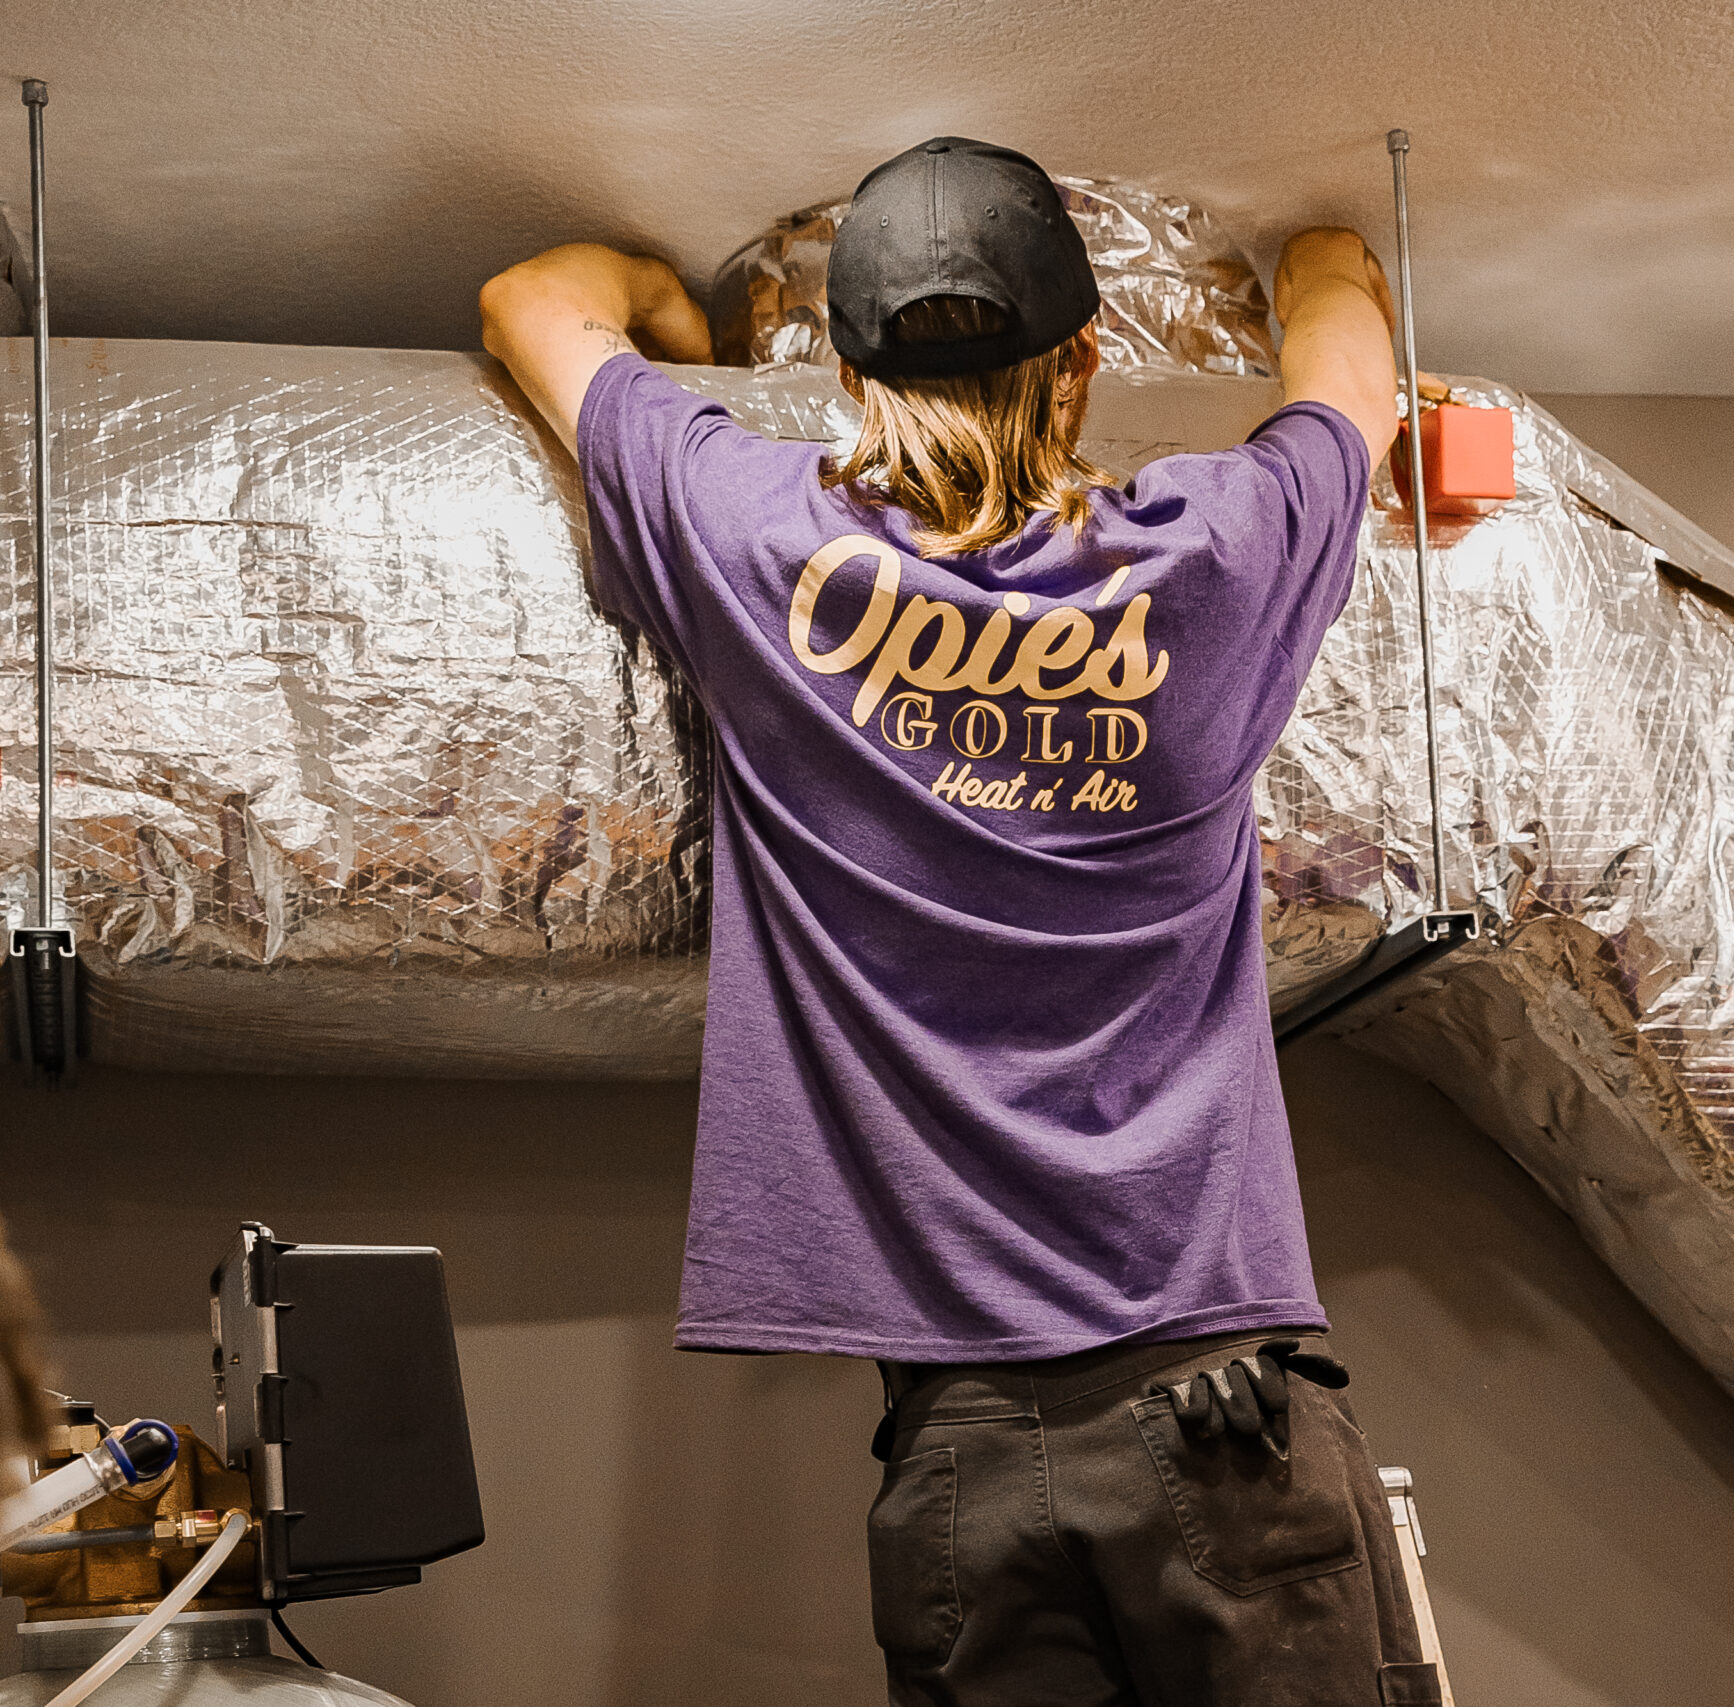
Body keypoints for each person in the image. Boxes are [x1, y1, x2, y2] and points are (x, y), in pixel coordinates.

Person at [479, 138, 1440, 1705]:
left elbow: (536, 296)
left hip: (960, 1454)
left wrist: (671, 308)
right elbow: (1341, 309)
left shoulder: (750, 533)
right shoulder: (1220, 553)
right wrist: (1314, 234)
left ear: (852, 372)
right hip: (1221, 1397)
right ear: (1079, 368)